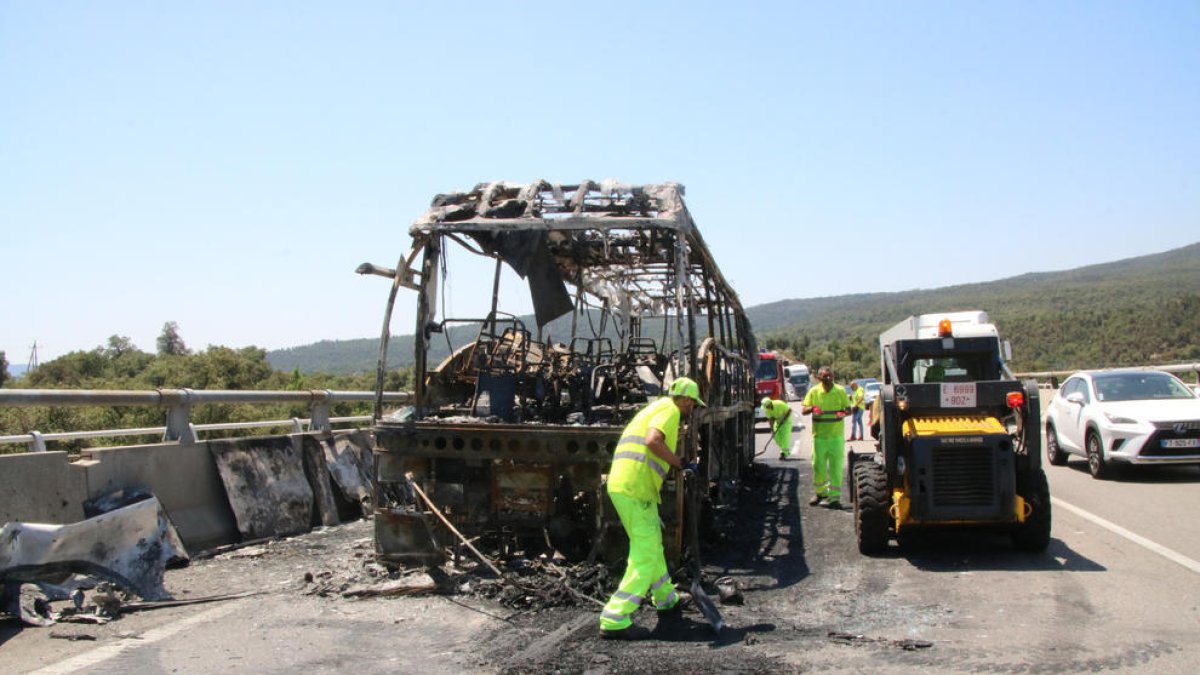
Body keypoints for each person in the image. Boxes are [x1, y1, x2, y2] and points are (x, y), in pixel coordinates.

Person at [598, 376, 705, 640]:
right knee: (644, 555)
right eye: (693, 404)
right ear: (687, 399)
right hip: (636, 490)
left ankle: (666, 598)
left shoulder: (654, 408)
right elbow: (653, 441)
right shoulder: (669, 410)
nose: (692, 409)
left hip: (629, 487)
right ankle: (615, 617)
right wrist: (681, 463)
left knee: (653, 545)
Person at [801, 366, 851, 509]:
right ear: (819, 378)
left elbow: (848, 410)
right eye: (825, 376)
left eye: (830, 376)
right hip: (820, 437)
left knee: (836, 469)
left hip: (836, 438)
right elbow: (804, 409)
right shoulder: (814, 391)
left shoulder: (840, 391)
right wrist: (812, 409)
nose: (828, 378)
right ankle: (821, 493)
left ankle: (834, 498)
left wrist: (841, 414)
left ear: (833, 377)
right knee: (818, 467)